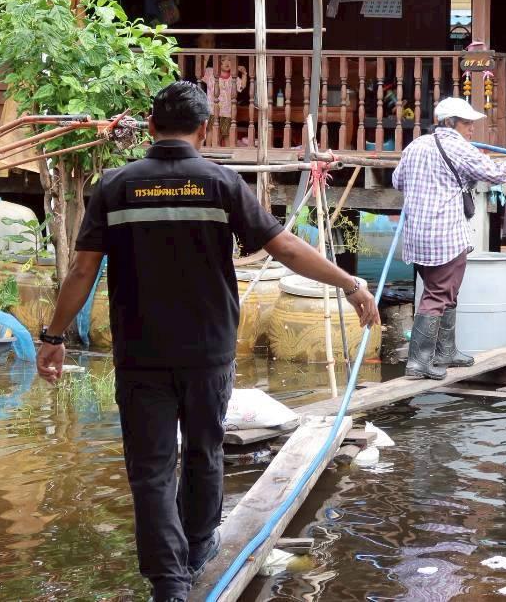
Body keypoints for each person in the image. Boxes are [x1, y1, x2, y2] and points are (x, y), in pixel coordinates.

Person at [35, 81, 377, 602]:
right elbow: (284, 247)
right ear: (204, 130)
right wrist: (350, 283)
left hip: (141, 352)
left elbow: (83, 268)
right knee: (203, 451)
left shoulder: (115, 184)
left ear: (150, 127)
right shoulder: (221, 183)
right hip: (208, 349)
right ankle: (198, 549)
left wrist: (54, 336)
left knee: (149, 470)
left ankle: (169, 584)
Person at [392, 97, 506, 380]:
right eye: (466, 123)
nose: (471, 129)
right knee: (438, 294)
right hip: (445, 235)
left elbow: (397, 181)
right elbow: (495, 173)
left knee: (445, 292)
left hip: (418, 235)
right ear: (449, 123)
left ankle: (446, 352)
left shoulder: (415, 146)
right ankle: (418, 362)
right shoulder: (458, 147)